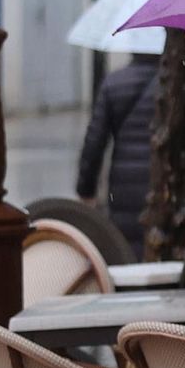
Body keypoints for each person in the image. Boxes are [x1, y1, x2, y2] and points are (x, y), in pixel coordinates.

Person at [76, 53, 157, 257]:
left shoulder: (114, 83)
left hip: (123, 186)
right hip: (163, 182)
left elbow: (95, 141)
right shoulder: (176, 83)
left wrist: (86, 189)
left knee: (127, 247)